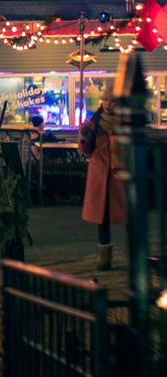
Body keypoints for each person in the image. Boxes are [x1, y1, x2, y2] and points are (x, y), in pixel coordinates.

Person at [78, 85, 126, 270]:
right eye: (105, 100)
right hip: (100, 174)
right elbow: (86, 151)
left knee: (127, 215)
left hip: (119, 175)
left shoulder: (125, 123)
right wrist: (83, 137)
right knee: (102, 217)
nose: (108, 104)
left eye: (112, 100)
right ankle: (105, 258)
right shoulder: (94, 123)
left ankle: (134, 256)